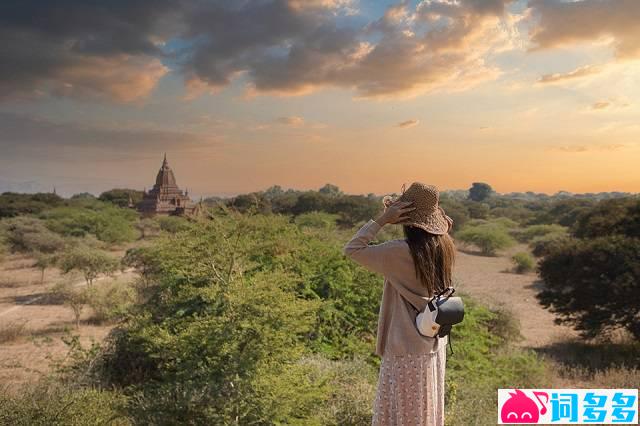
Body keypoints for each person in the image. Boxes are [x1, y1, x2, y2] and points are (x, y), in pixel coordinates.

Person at [343, 182, 456, 426]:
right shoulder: (444, 247)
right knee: (425, 414)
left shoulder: (398, 252)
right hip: (434, 343)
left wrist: (382, 220)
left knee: (401, 416)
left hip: (406, 348)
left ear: (406, 220)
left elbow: (352, 249)